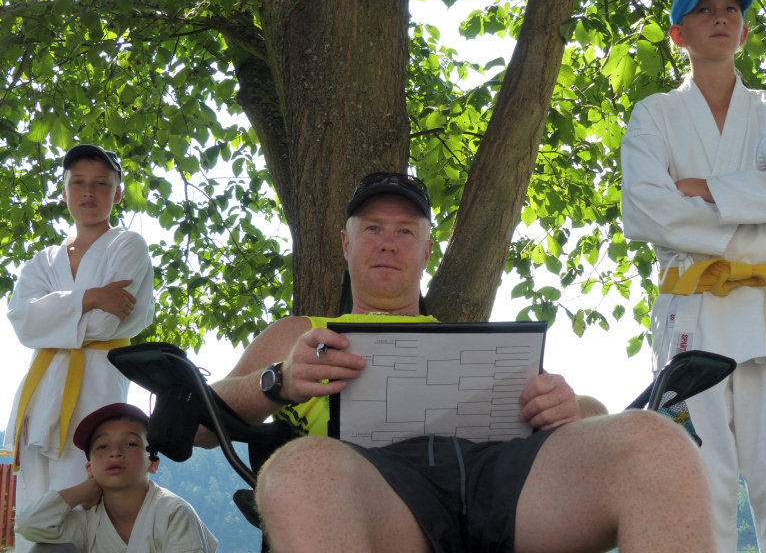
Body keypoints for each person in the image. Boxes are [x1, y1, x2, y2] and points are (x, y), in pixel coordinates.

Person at [201, 171, 715, 552]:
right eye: (373, 228)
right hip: (375, 487)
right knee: (298, 471)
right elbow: (201, 425)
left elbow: (594, 417)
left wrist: (571, 407)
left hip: (499, 481)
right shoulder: (302, 333)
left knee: (656, 442)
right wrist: (278, 381)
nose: (388, 244)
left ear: (427, 251)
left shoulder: (471, 342)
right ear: (345, 243)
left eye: (406, 232)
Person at [621, 0, 766, 552]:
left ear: (744, 31)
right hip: (693, 313)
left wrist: (707, 190)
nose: (721, 16)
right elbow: (647, 210)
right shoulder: (654, 114)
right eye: (704, 10)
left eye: (731, 9)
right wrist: (759, 228)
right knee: (703, 484)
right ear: (678, 34)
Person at [3, 144, 155, 553]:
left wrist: (54, 318)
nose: (89, 191)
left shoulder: (129, 245)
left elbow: (107, 324)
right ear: (64, 191)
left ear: (117, 194)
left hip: (98, 384)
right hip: (41, 392)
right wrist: (90, 297)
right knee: (38, 501)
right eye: (78, 182)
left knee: (91, 485)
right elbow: (21, 321)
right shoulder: (44, 259)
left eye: (101, 183)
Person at [16, 403, 218, 552]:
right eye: (102, 446)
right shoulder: (87, 521)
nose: (115, 452)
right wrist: (82, 491)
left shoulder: (173, 513)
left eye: (131, 443)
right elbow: (28, 524)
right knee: (46, 549)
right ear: (90, 468)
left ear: (153, 463)